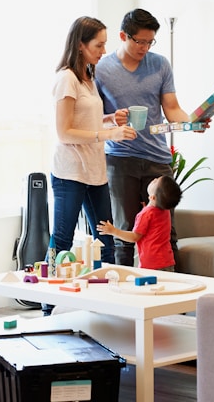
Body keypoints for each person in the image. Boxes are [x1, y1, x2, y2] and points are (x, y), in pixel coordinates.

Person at [95, 8, 209, 268]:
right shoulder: (101, 69)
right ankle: (123, 299)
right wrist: (114, 118)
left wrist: (193, 123)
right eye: (140, 41)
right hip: (120, 159)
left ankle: (175, 298)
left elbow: (171, 108)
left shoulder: (160, 64)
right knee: (124, 233)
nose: (145, 48)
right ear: (124, 36)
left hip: (157, 160)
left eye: (150, 42)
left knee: (166, 233)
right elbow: (93, 116)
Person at [50, 15, 137, 267]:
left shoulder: (88, 76)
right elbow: (65, 132)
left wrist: (111, 119)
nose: (104, 50)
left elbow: (86, 120)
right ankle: (45, 302)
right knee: (62, 241)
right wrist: (109, 134)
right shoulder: (66, 78)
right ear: (80, 44)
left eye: (104, 44)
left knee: (105, 240)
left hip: (95, 173)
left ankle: (109, 301)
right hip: (71, 173)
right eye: (98, 45)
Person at [97, 175, 182, 271]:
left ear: (152, 197)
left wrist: (113, 231)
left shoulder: (145, 214)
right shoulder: (166, 211)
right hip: (167, 261)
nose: (154, 179)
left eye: (155, 181)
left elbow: (134, 237)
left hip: (151, 265)